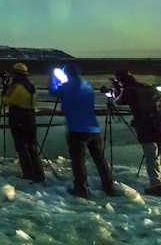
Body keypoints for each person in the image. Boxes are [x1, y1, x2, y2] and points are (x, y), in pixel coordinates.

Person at [113, 69, 161, 197]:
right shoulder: (146, 88)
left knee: (152, 157)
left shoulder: (130, 90)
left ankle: (156, 186)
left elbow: (119, 101)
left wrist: (116, 90)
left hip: (146, 128)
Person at [49, 63, 116, 198]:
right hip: (93, 128)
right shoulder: (87, 85)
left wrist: (55, 79)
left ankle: (81, 188)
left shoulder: (68, 86)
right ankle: (109, 186)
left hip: (76, 129)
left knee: (78, 160)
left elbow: (53, 92)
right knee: (99, 159)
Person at [1, 62, 45, 183]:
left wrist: (5, 91)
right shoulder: (31, 86)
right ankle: (39, 174)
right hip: (30, 118)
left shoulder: (18, 86)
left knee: (22, 148)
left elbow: (8, 101)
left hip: (18, 119)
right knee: (32, 147)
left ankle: (28, 173)